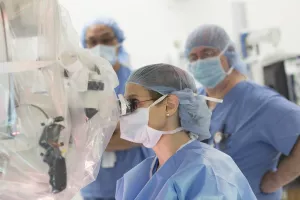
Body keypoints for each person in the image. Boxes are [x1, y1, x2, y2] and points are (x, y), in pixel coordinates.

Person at [185, 24, 300, 200]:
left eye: (207, 54)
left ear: (227, 54)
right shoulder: (195, 101)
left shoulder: (260, 103)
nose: (199, 62)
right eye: (193, 57)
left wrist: (277, 179)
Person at [115, 63, 256, 200]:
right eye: (124, 105)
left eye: (133, 103)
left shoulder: (208, 172)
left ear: (170, 105)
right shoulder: (137, 178)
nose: (126, 114)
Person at [80, 17, 153, 200]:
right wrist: (115, 128)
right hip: (93, 186)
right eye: (93, 41)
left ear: (118, 42)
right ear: (84, 46)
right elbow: (74, 136)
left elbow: (139, 134)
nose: (99, 46)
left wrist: (94, 135)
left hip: (134, 180)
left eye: (105, 40)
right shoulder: (78, 85)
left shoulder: (136, 82)